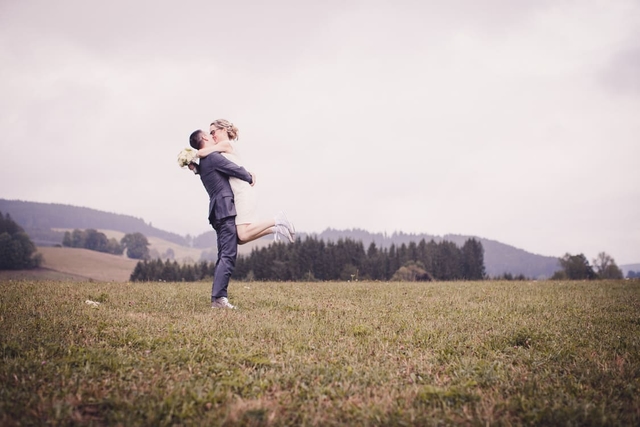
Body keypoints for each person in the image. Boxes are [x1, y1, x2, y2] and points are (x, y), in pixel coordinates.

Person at [196, 119, 295, 245]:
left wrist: (190, 156)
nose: (211, 136)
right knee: (239, 239)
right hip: (238, 193)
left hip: (242, 192)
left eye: (213, 132)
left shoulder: (225, 144)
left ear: (224, 130)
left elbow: (201, 152)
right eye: (210, 133)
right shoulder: (220, 150)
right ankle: (275, 229)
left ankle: (277, 219)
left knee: (242, 234)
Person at [188, 129, 254, 309]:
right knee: (228, 255)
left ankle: (218, 297)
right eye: (208, 135)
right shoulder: (213, 158)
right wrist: (249, 176)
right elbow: (233, 169)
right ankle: (218, 299)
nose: (211, 137)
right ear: (203, 139)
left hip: (218, 210)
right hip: (225, 210)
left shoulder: (203, 162)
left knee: (224, 254)